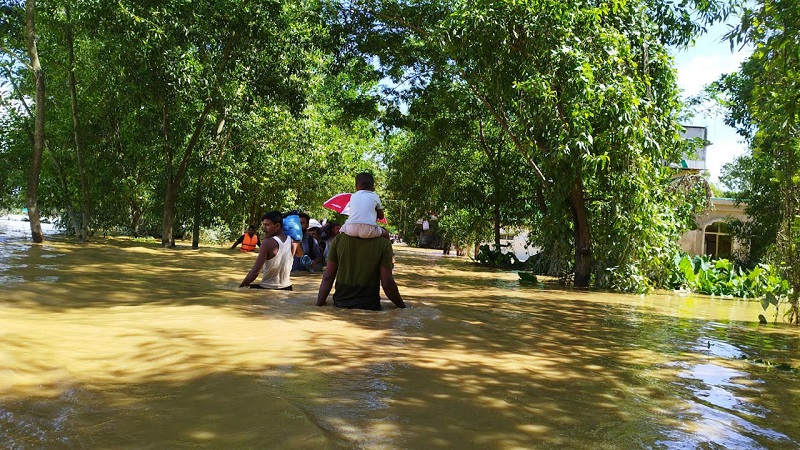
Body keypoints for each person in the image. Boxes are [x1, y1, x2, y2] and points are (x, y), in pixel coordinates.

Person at [316, 231, 406, 310]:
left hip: (340, 304)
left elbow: (328, 277)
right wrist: (403, 306)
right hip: (370, 306)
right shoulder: (384, 243)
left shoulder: (338, 240)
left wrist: (318, 304)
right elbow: (387, 284)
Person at [239, 211, 297, 290]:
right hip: (288, 287)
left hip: (268, 288)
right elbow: (300, 254)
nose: (264, 229)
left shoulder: (267, 243)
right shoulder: (293, 242)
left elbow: (254, 272)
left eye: (267, 225)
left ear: (277, 226)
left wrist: (239, 288)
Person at [340, 172, 391, 240]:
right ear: (373, 188)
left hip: (351, 228)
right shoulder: (375, 196)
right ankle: (389, 248)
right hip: (369, 230)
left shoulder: (353, 196)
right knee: (385, 233)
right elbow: (381, 217)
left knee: (341, 231)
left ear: (356, 187)